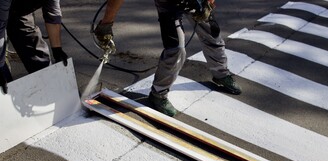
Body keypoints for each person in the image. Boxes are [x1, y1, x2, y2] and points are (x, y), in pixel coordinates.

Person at [94, 0, 242, 117]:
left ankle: (221, 73)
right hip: (168, 4)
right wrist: (106, 23)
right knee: (176, 49)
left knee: (212, 34)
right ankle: (158, 94)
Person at [0, 0, 68, 94]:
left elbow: (53, 14)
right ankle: (2, 104)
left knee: (31, 40)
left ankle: (51, 92)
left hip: (17, 6)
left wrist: (57, 50)